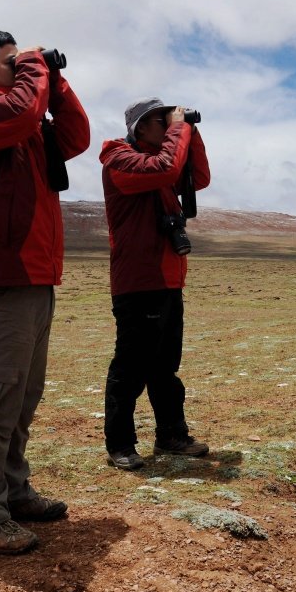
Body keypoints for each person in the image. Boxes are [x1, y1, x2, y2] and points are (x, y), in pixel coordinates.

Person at [0, 29, 90, 554]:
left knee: (21, 397)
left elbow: (75, 136)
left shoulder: (22, 122)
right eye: (12, 62)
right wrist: (35, 69)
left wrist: (56, 80)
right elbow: (24, 112)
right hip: (1, 278)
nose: (24, 68)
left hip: (34, 278)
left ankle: (12, 491)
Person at [99, 97, 211, 470]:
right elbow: (166, 168)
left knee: (165, 367)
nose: (168, 126)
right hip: (139, 281)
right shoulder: (120, 160)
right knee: (130, 368)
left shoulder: (158, 159)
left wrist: (189, 132)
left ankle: (171, 436)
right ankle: (120, 444)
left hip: (167, 278)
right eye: (162, 121)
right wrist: (179, 130)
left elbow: (198, 177)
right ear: (141, 127)